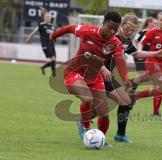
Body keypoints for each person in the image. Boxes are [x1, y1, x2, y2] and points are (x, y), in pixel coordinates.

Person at [50, 11, 129, 147]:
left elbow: (120, 61)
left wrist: (126, 78)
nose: (112, 31)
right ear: (103, 23)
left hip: (95, 76)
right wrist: (54, 35)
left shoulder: (115, 43)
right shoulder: (88, 31)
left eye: (115, 29)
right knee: (87, 99)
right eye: (109, 27)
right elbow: (71, 27)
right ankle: (85, 127)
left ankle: (101, 140)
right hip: (74, 73)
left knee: (104, 115)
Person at [104, 13, 162, 143]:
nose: (130, 31)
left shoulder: (126, 41)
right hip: (101, 75)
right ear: (121, 24)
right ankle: (85, 124)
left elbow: (137, 53)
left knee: (125, 101)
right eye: (128, 27)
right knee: (102, 105)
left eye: (133, 29)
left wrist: (156, 53)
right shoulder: (110, 37)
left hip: (114, 77)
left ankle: (120, 135)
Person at [132, 11, 162, 116]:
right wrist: (140, 52)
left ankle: (137, 96)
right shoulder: (151, 32)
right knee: (161, 85)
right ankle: (155, 112)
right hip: (151, 61)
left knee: (157, 89)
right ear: (157, 20)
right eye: (161, 20)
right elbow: (141, 43)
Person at [25, 7, 57, 77]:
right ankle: (54, 75)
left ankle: (43, 67)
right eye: (46, 17)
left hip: (51, 44)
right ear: (44, 18)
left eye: (49, 17)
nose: (48, 18)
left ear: (51, 18)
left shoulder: (52, 26)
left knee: (54, 60)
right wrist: (29, 38)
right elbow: (33, 32)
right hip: (45, 44)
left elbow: (54, 35)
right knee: (53, 58)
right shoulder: (41, 25)